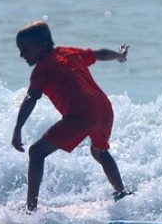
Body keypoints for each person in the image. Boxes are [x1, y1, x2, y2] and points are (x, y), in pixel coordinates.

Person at [12, 20, 132, 211]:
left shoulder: (41, 69)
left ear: (42, 45)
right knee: (99, 151)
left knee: (36, 153)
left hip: (81, 115)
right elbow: (99, 54)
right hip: (104, 109)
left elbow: (31, 97)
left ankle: (30, 210)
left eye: (25, 49)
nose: (21, 54)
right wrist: (119, 56)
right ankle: (122, 193)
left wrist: (18, 128)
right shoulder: (69, 52)